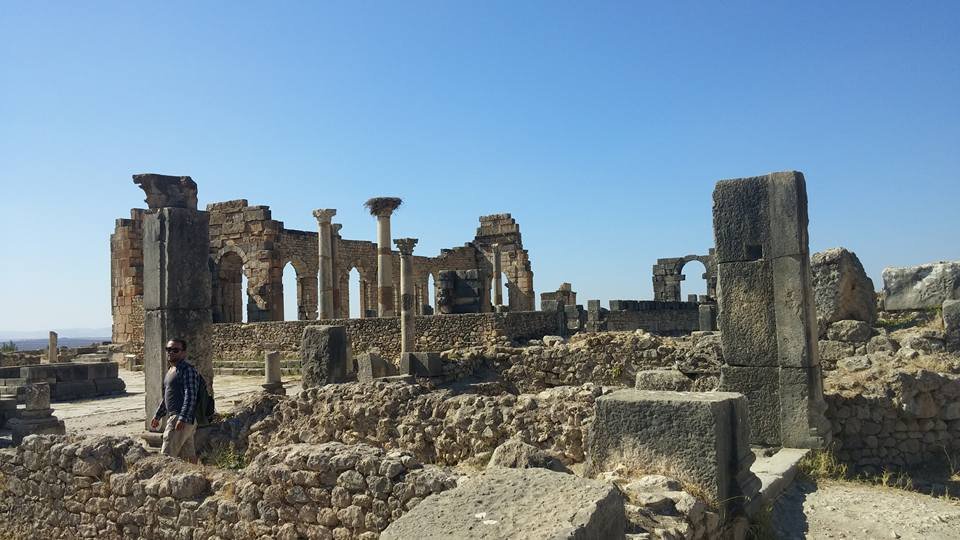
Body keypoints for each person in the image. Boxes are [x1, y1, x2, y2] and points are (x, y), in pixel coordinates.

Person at [150, 338, 200, 463]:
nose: (170, 352)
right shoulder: (171, 371)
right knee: (188, 459)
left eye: (175, 350)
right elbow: (168, 397)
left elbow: (191, 394)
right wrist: (157, 416)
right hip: (180, 418)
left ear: (183, 353)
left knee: (166, 458)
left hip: (179, 419)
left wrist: (182, 417)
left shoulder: (187, 370)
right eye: (168, 349)